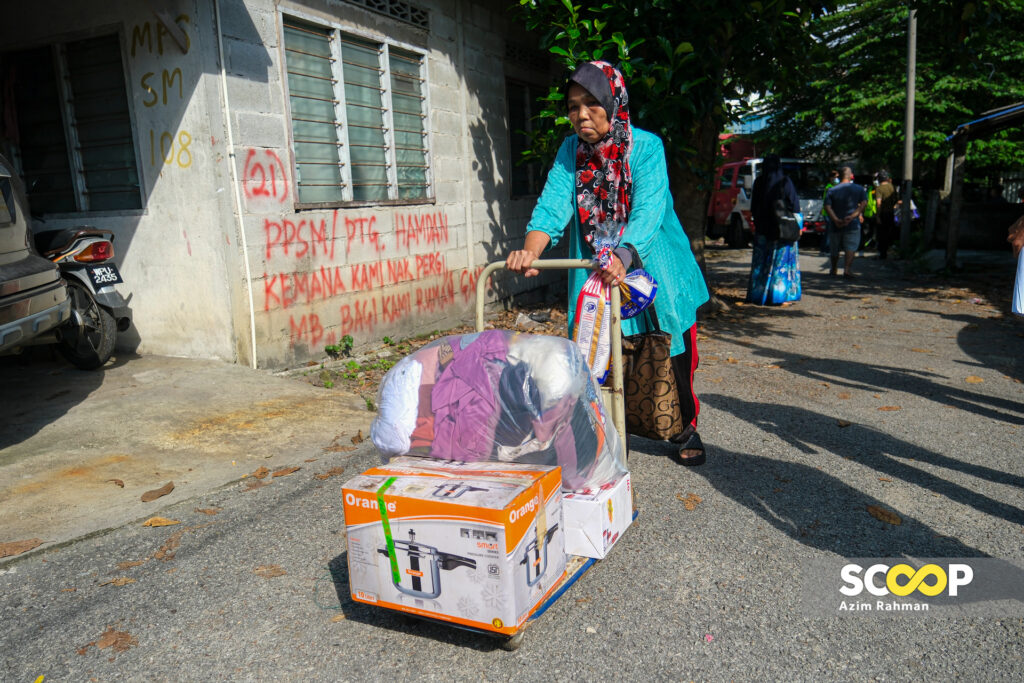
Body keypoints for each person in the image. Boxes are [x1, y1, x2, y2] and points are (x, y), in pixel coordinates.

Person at [505, 60, 710, 465]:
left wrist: (624, 254)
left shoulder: (647, 147)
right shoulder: (570, 152)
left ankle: (685, 426)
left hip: (652, 265)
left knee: (670, 351)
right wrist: (531, 249)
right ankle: (608, 428)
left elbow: (649, 211)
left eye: (592, 104)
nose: (581, 114)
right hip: (596, 270)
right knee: (596, 351)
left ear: (614, 103)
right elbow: (550, 208)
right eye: (573, 106)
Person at [746, 154, 801, 305]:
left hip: (762, 229)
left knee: (761, 263)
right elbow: (794, 205)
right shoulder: (785, 181)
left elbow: (753, 206)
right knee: (780, 263)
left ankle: (758, 296)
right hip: (781, 229)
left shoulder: (759, 182)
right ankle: (779, 297)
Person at [824, 167, 867, 278]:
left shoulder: (832, 190)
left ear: (839, 176)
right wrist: (852, 216)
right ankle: (847, 269)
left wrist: (835, 219)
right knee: (851, 247)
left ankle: (833, 268)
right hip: (852, 224)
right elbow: (863, 203)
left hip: (835, 224)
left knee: (834, 248)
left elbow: (827, 206)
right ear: (851, 175)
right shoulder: (859, 189)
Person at [874, 170, 898, 259]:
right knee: (888, 232)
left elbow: (878, 203)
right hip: (891, 213)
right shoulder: (892, 187)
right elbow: (896, 200)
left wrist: (878, 216)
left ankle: (882, 253)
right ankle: (887, 250)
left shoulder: (879, 189)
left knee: (881, 234)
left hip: (883, 213)